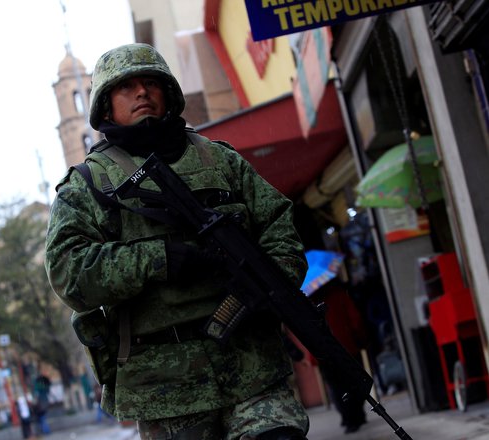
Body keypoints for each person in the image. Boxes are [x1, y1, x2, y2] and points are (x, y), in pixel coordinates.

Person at [45, 43, 310, 440]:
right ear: (104, 107)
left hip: (251, 366)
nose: (141, 93)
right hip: (165, 390)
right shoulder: (86, 187)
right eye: (126, 87)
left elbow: (279, 226)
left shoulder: (220, 162)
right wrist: (159, 259)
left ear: (168, 92)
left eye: (151, 82)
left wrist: (269, 284)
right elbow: (69, 272)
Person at [309, 278, 369, 434]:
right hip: (347, 348)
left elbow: (308, 332)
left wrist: (313, 358)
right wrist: (360, 339)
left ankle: (349, 418)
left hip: (324, 354)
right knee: (355, 382)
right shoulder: (339, 295)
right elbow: (355, 319)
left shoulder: (309, 303)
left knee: (337, 388)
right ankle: (358, 414)